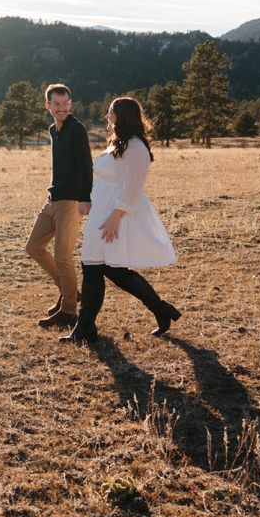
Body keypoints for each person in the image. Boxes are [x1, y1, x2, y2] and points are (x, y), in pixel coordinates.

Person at [61, 96, 181, 342]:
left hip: (116, 213)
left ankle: (86, 326)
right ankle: (158, 309)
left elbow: (133, 187)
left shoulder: (136, 147)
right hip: (102, 210)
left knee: (103, 265)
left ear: (122, 116)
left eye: (110, 112)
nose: (107, 116)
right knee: (97, 264)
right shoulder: (120, 142)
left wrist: (115, 216)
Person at [24, 84, 93, 331]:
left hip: (71, 202)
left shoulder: (77, 129)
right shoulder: (54, 129)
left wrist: (85, 198)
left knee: (63, 257)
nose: (61, 108)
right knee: (33, 247)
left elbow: (86, 166)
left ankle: (69, 312)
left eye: (65, 103)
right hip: (52, 200)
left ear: (70, 104)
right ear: (48, 106)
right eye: (56, 104)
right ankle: (69, 292)